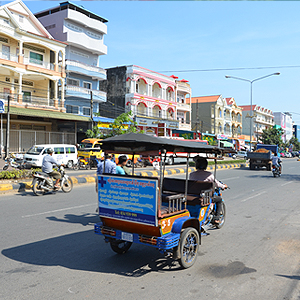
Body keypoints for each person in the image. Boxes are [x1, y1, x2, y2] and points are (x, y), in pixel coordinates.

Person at [189, 156, 228, 224]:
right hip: (205, 197)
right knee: (219, 200)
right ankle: (216, 218)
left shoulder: (191, 174)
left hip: (193, 195)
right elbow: (217, 184)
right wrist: (223, 186)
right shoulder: (209, 175)